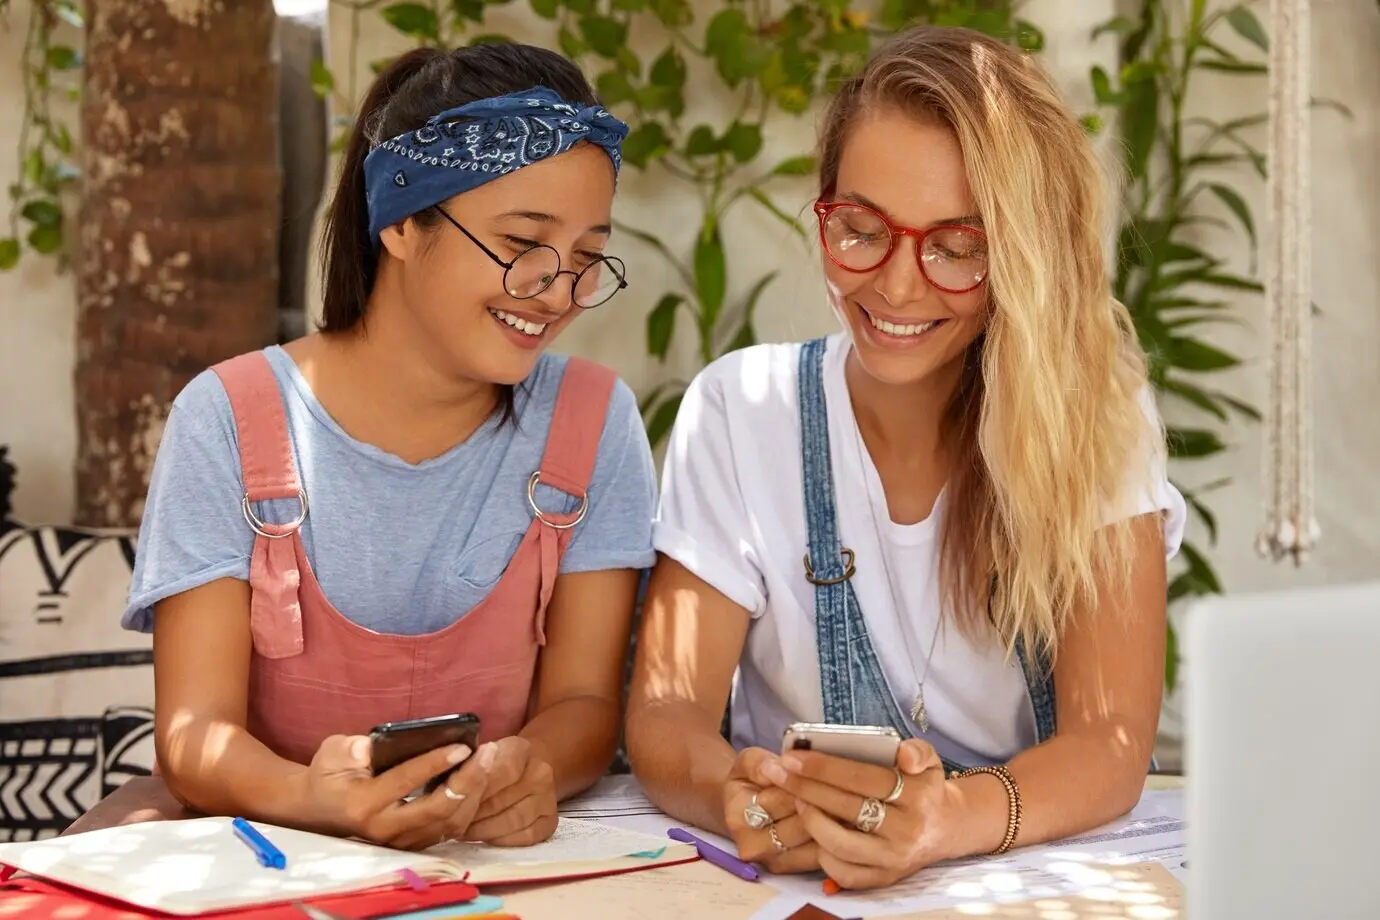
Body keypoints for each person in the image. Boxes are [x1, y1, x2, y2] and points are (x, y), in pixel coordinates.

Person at [625, 25, 1187, 890]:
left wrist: (943, 820)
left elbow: (1110, 746)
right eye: (860, 229)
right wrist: (731, 791)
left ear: (1022, 259)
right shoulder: (741, 411)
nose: (894, 284)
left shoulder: (1096, 420)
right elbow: (668, 711)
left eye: (956, 248)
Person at [121, 42, 656, 851]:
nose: (558, 292)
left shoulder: (593, 422)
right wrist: (315, 798)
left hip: (484, 864)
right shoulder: (227, 418)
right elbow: (195, 737)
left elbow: (583, 706)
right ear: (401, 223)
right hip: (264, 856)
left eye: (586, 258)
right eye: (520, 246)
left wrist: (522, 771)